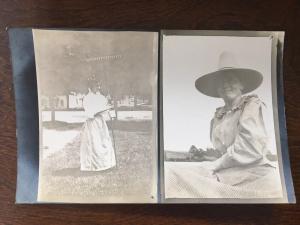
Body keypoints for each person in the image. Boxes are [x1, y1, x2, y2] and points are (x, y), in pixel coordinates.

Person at [165, 51, 282, 198]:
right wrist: (210, 162)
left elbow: (249, 148)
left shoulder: (251, 105)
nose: (226, 85)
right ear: (217, 90)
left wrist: (214, 165)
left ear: (241, 84)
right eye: (221, 82)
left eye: (231, 80)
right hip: (229, 171)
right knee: (169, 170)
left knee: (181, 179)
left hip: (254, 173)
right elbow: (223, 153)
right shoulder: (218, 116)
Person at [80, 79, 116, 171]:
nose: (98, 87)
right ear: (91, 87)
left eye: (99, 86)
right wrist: (100, 110)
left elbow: (105, 107)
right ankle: (94, 166)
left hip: (100, 122)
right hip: (92, 123)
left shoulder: (100, 97)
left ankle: (105, 163)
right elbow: (90, 113)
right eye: (96, 86)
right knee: (95, 142)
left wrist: (109, 109)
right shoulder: (87, 98)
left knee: (103, 141)